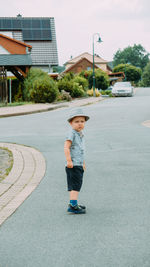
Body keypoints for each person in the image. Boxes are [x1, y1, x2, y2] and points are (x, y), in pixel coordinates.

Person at [64, 108, 90, 214]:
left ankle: (73, 203)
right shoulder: (72, 133)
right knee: (75, 185)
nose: (80, 124)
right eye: (77, 121)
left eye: (82, 121)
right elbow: (66, 147)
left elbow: (80, 151)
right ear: (71, 123)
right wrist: (69, 161)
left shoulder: (80, 134)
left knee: (75, 185)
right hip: (73, 165)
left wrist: (83, 163)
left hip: (78, 164)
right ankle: (73, 206)